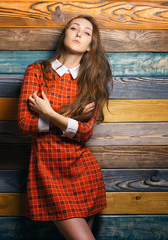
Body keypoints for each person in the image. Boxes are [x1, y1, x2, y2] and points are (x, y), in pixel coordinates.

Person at [17, 15, 112, 240]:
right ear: (65, 34)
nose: (79, 34)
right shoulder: (37, 71)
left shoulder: (91, 82)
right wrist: (70, 118)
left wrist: (49, 113)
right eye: (74, 28)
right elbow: (24, 123)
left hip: (83, 172)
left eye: (87, 32)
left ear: (90, 47)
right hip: (48, 173)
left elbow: (84, 133)